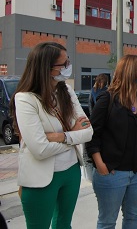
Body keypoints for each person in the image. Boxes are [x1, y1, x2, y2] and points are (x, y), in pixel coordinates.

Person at [9, 42, 93, 228]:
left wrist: (61, 136)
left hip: (71, 171)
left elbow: (88, 131)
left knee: (64, 224)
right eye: (63, 64)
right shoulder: (25, 98)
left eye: (67, 61)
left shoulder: (66, 91)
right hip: (40, 177)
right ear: (45, 68)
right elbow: (40, 149)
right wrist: (72, 135)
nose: (67, 66)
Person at [86, 54, 137, 229]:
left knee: (133, 216)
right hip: (112, 173)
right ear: (129, 72)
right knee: (107, 222)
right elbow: (92, 135)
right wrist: (100, 164)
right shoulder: (107, 100)